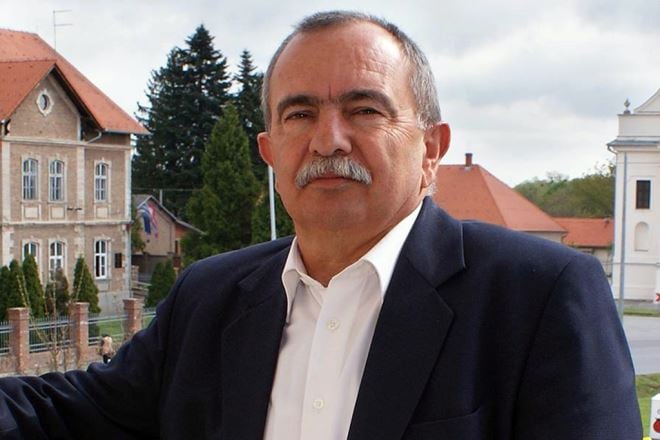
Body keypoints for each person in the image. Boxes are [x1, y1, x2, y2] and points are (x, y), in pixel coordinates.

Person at [0, 10, 642, 440]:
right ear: (269, 150)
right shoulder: (210, 298)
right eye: (299, 114)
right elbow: (66, 413)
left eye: (364, 109)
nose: (328, 139)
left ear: (431, 148)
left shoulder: (539, 295)